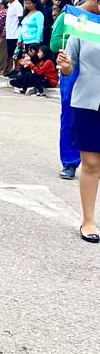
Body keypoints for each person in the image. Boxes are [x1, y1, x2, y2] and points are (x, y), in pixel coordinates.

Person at [58, 27, 100, 243]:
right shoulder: (84, 28)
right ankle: (88, 220)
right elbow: (68, 68)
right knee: (91, 163)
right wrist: (65, 66)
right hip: (88, 101)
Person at [52, 0, 89, 179]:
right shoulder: (74, 19)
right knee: (70, 115)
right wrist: (66, 62)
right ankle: (70, 162)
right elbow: (55, 43)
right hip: (75, 70)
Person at [4, 0, 25, 64]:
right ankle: (14, 68)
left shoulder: (17, 5)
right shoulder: (10, 5)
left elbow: (20, 19)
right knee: (11, 53)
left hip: (15, 33)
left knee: (17, 53)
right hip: (9, 33)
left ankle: (17, 68)